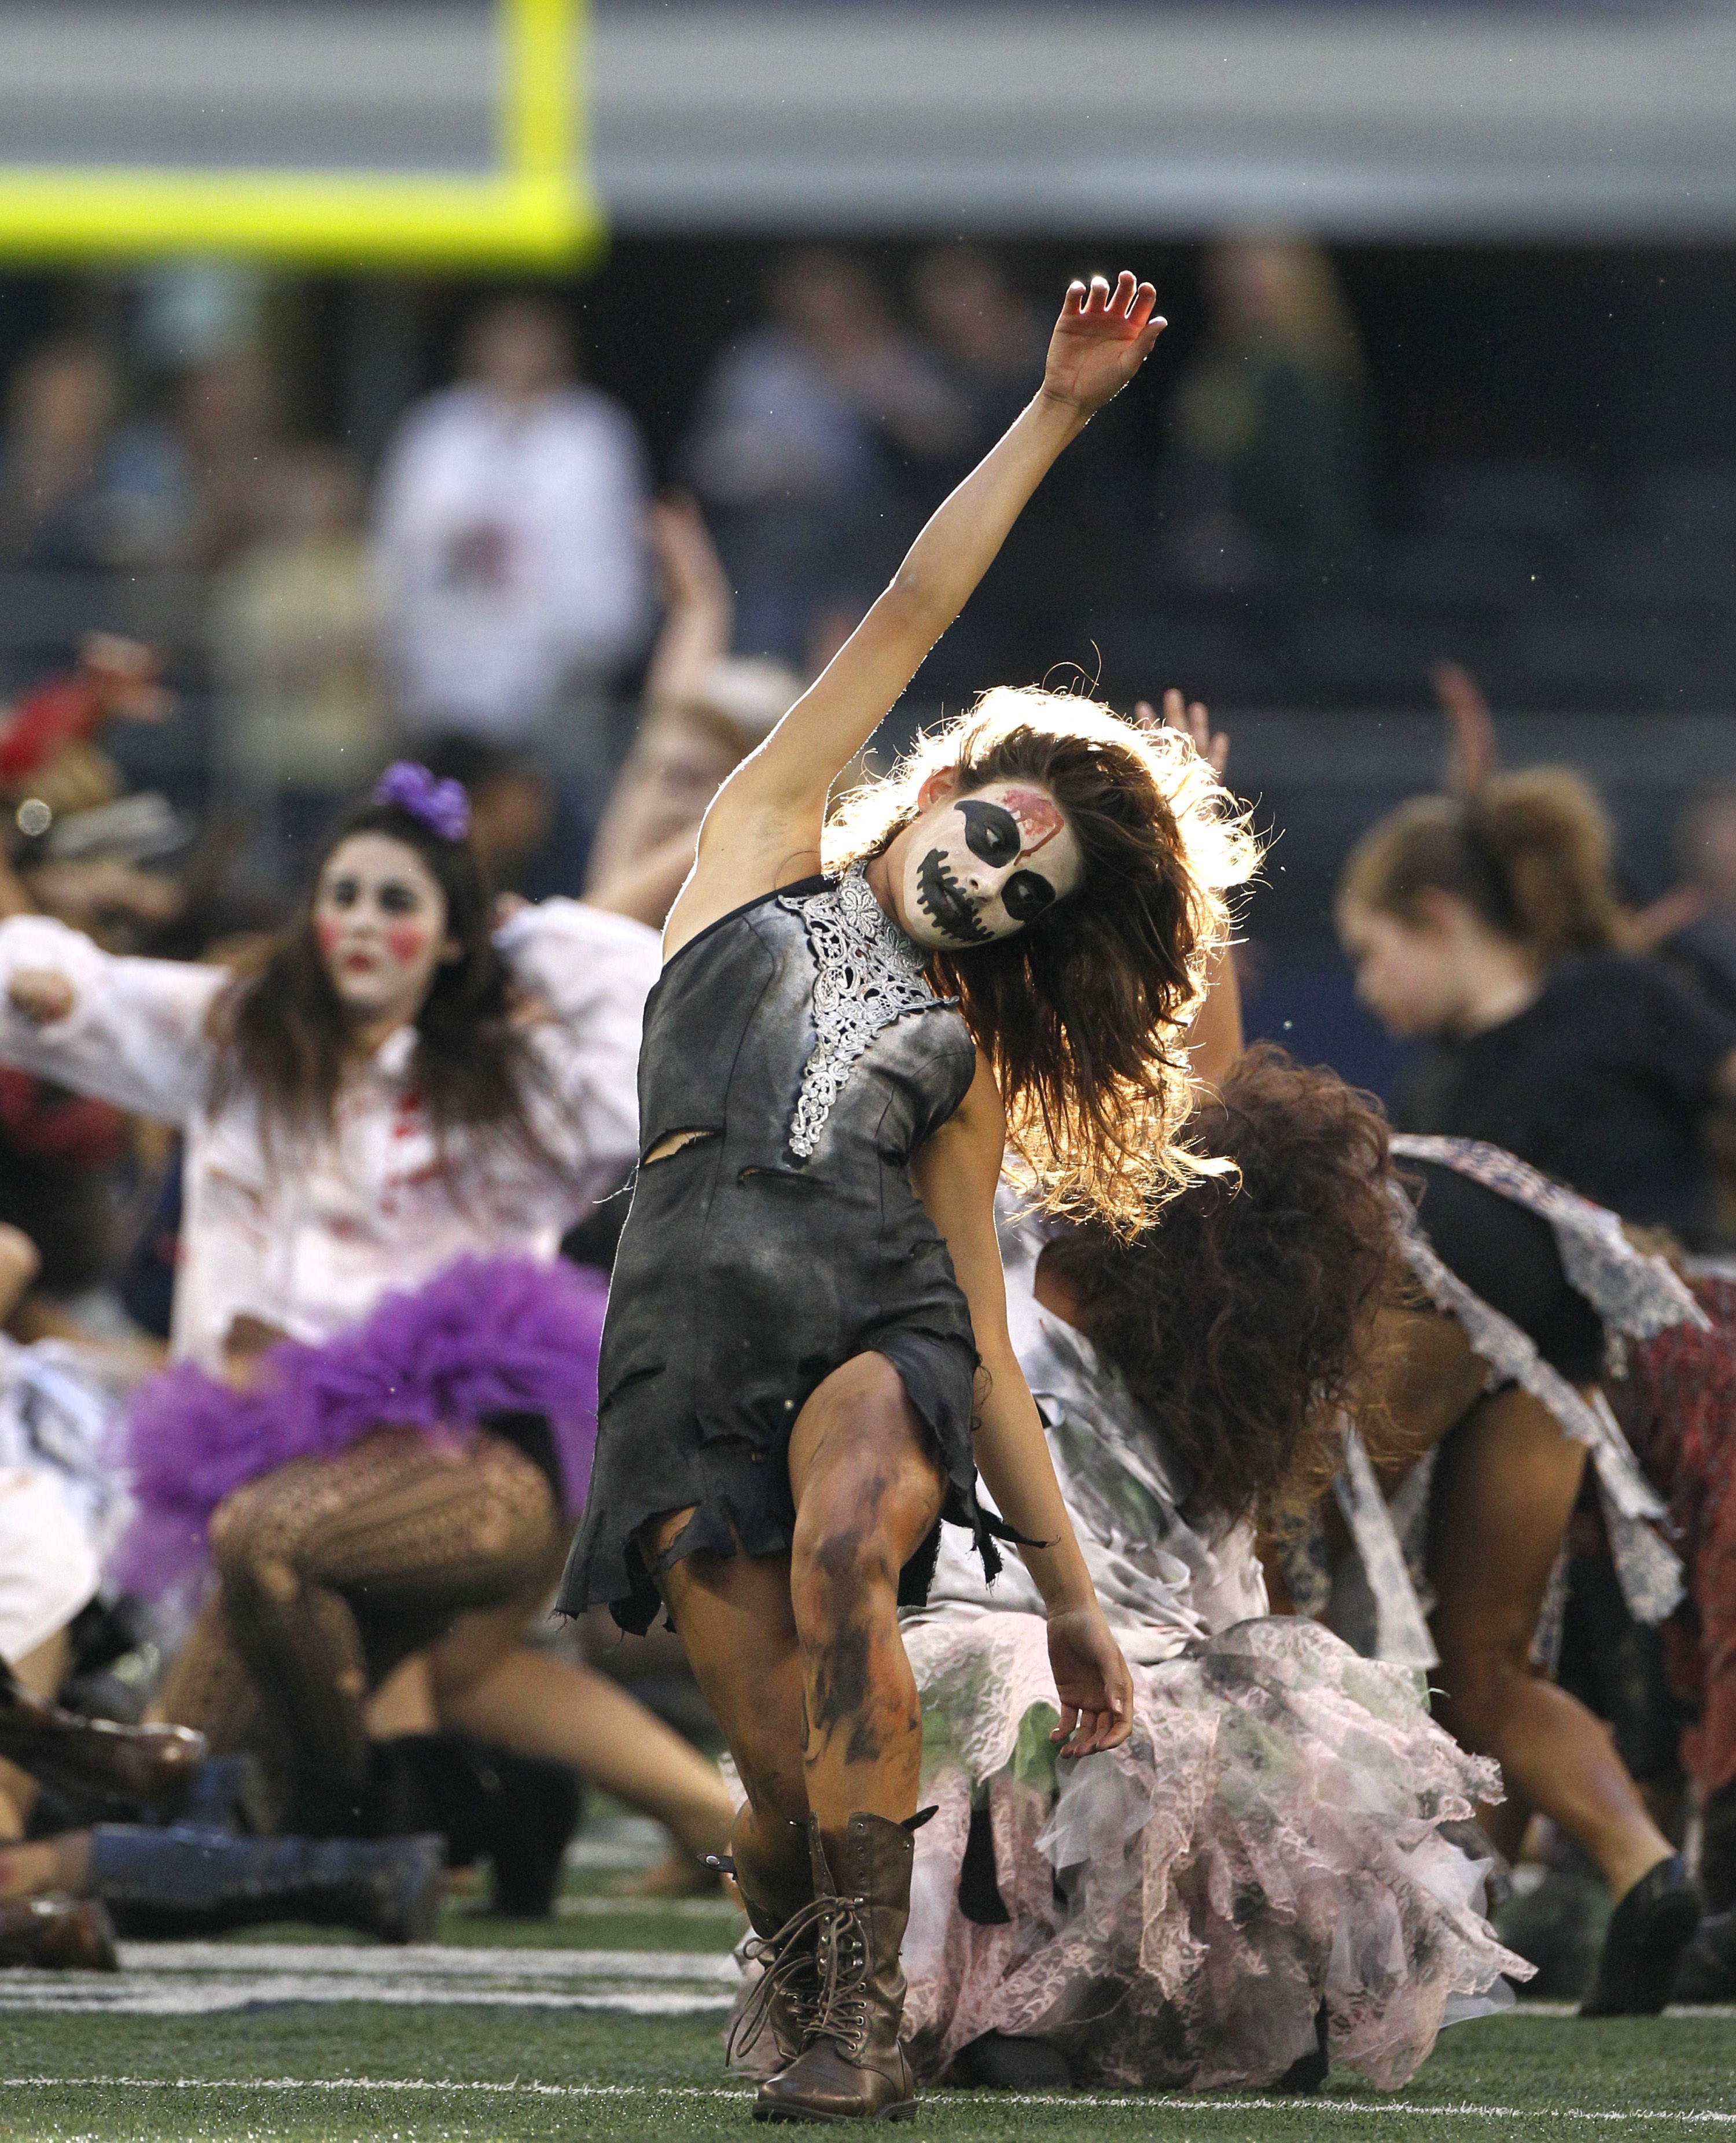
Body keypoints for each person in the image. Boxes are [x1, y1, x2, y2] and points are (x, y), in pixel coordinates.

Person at [561, 267, 1258, 2123]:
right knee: (779, 1795)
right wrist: (1056, 411)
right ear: (943, 783)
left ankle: (861, 2040)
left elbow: (990, 1338)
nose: (993, 888)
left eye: (1031, 895)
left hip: (874, 1325)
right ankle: (821, 1965)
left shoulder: (963, 1055)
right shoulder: (759, 847)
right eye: (999, 840)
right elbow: (917, 602)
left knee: (851, 1551)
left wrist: (1073, 1593)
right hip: (683, 1324)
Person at [0, 762, 737, 1882]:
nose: (359, 922)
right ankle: (462, 1809)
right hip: (274, 1479)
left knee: (268, 1540)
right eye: (342, 894)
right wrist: (40, 978)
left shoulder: (511, 1080)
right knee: (175, 1797)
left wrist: (526, 930)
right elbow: (88, 993)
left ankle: (362, 1813)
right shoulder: (242, 1042)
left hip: (471, 1473)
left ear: (451, 939)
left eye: (398, 902)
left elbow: (658, 1021)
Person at [880, 1050, 1529, 2093]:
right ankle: (1214, 2002)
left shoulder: (1007, 1259)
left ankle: (980, 2001)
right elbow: (1229, 1607)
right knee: (1234, 1716)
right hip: (1151, 1704)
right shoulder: (1220, 1395)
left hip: (997, 1653)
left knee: (960, 1710)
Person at [1277, 1127, 1707, 2015]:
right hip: (1554, 1281)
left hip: (1417, 1251)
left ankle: (1301, 1952)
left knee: (1268, 1622)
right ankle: (1644, 1869)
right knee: (1490, 1668)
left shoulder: (1277, 1188)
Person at [1338, 768, 1736, 1246]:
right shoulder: (1426, 1100)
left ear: (1435, 916)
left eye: (1370, 954)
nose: (1365, 988)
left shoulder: (1617, 992)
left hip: (1696, 1305)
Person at [373, 296, 651, 764]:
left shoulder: (591, 433)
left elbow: (613, 552)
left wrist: (598, 640)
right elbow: (401, 543)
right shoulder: (438, 430)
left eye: (530, 342)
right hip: (447, 668)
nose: (516, 356)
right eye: (504, 341)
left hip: (558, 674)